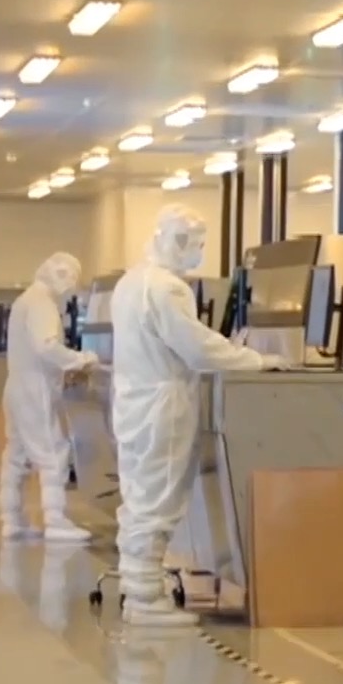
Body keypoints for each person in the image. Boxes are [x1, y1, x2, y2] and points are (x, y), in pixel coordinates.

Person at [111, 205, 286, 627]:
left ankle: (137, 585)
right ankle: (144, 599)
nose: (199, 252)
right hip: (164, 406)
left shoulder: (131, 282)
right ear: (176, 241)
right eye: (196, 243)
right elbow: (198, 348)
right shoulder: (167, 289)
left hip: (134, 402)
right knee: (158, 499)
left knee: (139, 496)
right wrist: (257, 360)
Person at [0, 252, 98, 542]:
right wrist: (80, 359)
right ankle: (56, 521)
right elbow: (46, 347)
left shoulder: (25, 299)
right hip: (36, 389)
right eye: (70, 277)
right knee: (53, 452)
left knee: (16, 455)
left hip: (17, 387)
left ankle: (11, 519)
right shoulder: (41, 302)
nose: (71, 285)